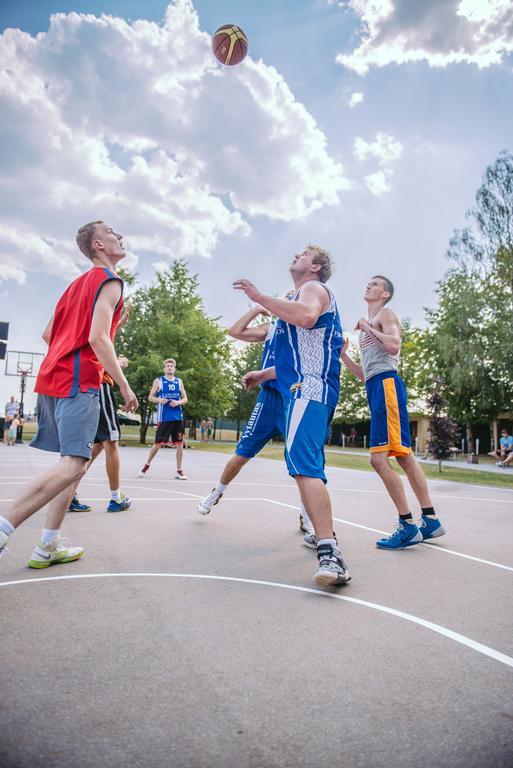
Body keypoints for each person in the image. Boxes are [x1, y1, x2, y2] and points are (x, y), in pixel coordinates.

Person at [0, 221, 138, 568]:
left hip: (53, 380)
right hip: (79, 381)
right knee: (74, 463)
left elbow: (49, 334)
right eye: (111, 232)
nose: (119, 236)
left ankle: (48, 544)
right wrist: (122, 382)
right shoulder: (110, 282)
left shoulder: (74, 287)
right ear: (97, 245)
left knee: (72, 465)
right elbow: (97, 338)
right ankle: (4, 525)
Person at [232, 245, 350, 587]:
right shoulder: (296, 303)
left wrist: (258, 296)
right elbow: (299, 354)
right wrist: (264, 374)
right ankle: (322, 537)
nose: (295, 255)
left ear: (315, 266)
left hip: (309, 391)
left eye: (303, 254)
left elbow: (308, 316)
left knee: (305, 468)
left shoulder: (312, 289)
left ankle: (331, 552)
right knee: (304, 467)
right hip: (306, 390)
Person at [341, 275, 445, 550]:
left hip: (387, 384)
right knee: (405, 457)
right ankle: (431, 520)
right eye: (368, 282)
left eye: (375, 284)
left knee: (379, 460)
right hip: (376, 385)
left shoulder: (386, 313)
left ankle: (408, 525)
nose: (369, 285)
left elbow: (394, 345)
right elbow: (365, 375)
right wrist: (343, 355)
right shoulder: (368, 328)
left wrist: (366, 326)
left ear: (385, 294)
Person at [197, 304, 315, 534]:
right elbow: (235, 331)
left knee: (302, 460)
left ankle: (307, 514)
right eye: (287, 299)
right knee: (243, 452)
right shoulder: (272, 328)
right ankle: (216, 492)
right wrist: (257, 309)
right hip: (268, 399)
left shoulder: (307, 332)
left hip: (294, 396)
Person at [69, 352, 133, 514]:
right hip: (99, 386)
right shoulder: (94, 333)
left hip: (83, 389)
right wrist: (116, 362)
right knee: (111, 440)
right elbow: (98, 350)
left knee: (94, 445)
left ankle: (68, 494)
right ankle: (116, 498)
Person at [139, 358, 188, 480]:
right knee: (158, 444)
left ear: (174, 369)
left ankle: (179, 470)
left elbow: (185, 398)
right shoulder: (159, 381)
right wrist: (160, 400)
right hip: (164, 417)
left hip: (177, 417)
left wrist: (178, 402)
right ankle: (146, 465)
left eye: (172, 365)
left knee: (180, 444)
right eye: (168, 366)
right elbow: (150, 397)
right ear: (164, 369)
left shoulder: (179, 381)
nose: (170, 367)